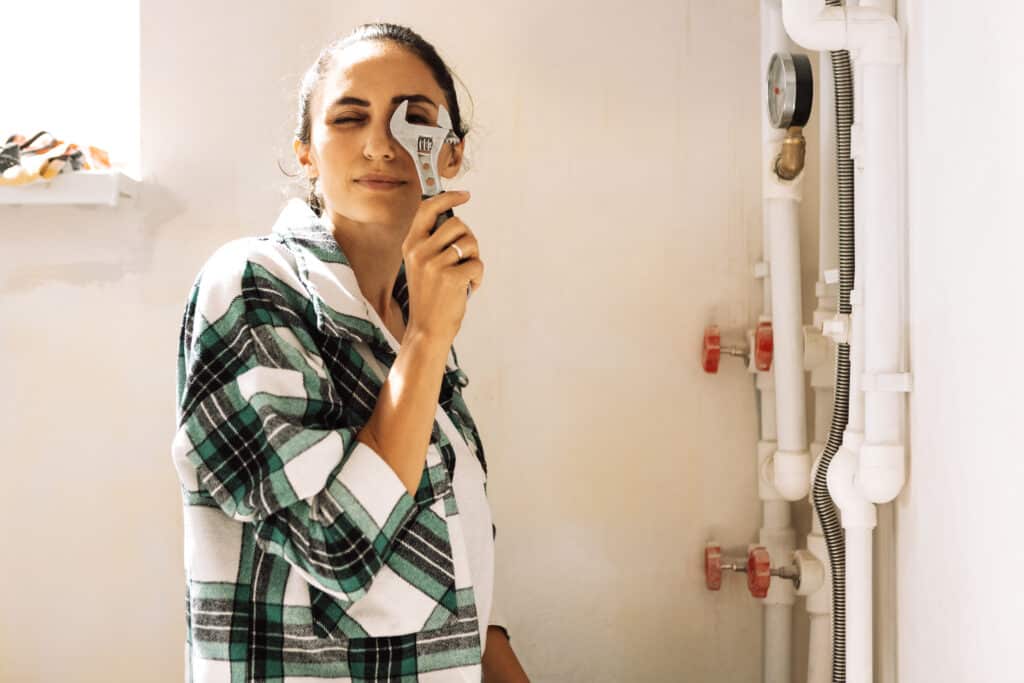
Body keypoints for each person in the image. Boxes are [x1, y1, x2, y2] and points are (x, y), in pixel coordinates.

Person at [171, 22, 529, 682]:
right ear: (305, 152)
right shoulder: (250, 285)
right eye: (348, 117)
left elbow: (462, 578)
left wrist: (423, 334)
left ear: (449, 155)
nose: (381, 144)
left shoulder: (411, 324)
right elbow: (333, 544)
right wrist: (426, 339)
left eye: (413, 118)